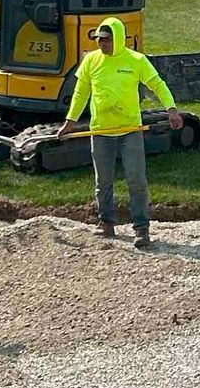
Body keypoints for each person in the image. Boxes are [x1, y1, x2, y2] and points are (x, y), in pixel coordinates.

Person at [59, 17, 182, 248]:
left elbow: (157, 84)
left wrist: (171, 109)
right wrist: (70, 121)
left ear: (116, 38)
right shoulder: (91, 61)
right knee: (103, 180)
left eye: (106, 40)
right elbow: (80, 92)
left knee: (136, 179)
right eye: (99, 39)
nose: (101, 44)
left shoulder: (136, 61)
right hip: (101, 131)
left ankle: (141, 228)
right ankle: (106, 222)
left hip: (130, 130)